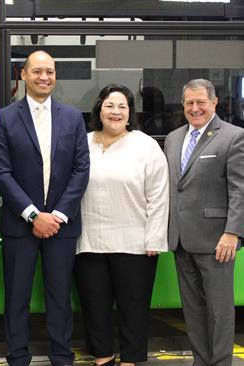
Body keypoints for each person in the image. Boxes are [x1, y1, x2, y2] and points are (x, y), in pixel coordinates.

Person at [0, 50, 90, 366]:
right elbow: (2, 173)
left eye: (49, 71)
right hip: (20, 225)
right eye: (37, 71)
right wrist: (33, 214)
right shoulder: (6, 118)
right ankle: (17, 355)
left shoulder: (73, 117)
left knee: (59, 296)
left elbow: (80, 169)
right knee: (17, 296)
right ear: (23, 75)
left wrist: (57, 215)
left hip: (61, 225)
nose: (44, 77)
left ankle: (61, 355)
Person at [75, 84, 169, 366]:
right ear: (99, 110)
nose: (115, 112)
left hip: (135, 243)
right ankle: (103, 356)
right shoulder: (83, 142)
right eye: (109, 106)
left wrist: (154, 238)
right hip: (88, 241)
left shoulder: (146, 145)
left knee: (134, 308)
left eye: (122, 107)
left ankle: (131, 359)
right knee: (94, 306)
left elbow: (159, 195)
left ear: (130, 113)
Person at [164, 79, 244, 366]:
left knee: (219, 311)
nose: (195, 108)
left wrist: (232, 233)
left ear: (214, 103)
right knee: (192, 309)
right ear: (183, 105)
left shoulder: (234, 136)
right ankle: (201, 361)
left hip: (217, 240)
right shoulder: (173, 138)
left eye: (201, 102)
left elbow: (242, 190)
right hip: (181, 239)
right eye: (189, 103)